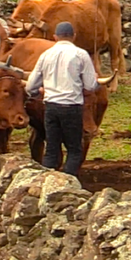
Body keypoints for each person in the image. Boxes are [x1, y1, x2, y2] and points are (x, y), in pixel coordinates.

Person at [25, 22, 99, 177]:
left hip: (50, 107)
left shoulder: (46, 55)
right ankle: (68, 180)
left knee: (51, 149)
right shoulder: (81, 54)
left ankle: (48, 182)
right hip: (72, 107)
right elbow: (91, 86)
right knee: (74, 149)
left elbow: (31, 85)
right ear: (74, 37)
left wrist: (39, 90)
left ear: (55, 37)